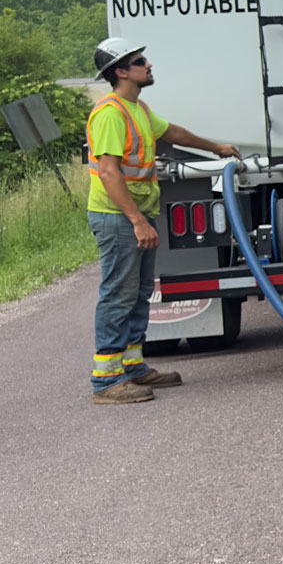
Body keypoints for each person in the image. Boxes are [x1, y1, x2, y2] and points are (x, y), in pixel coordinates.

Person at [85, 36, 239, 405]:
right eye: (140, 61)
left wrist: (214, 147)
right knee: (118, 294)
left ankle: (134, 367)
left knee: (139, 293)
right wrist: (138, 221)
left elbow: (171, 132)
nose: (148, 65)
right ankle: (105, 380)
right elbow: (108, 173)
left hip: (135, 215)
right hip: (118, 218)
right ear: (121, 71)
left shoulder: (137, 108)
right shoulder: (110, 113)